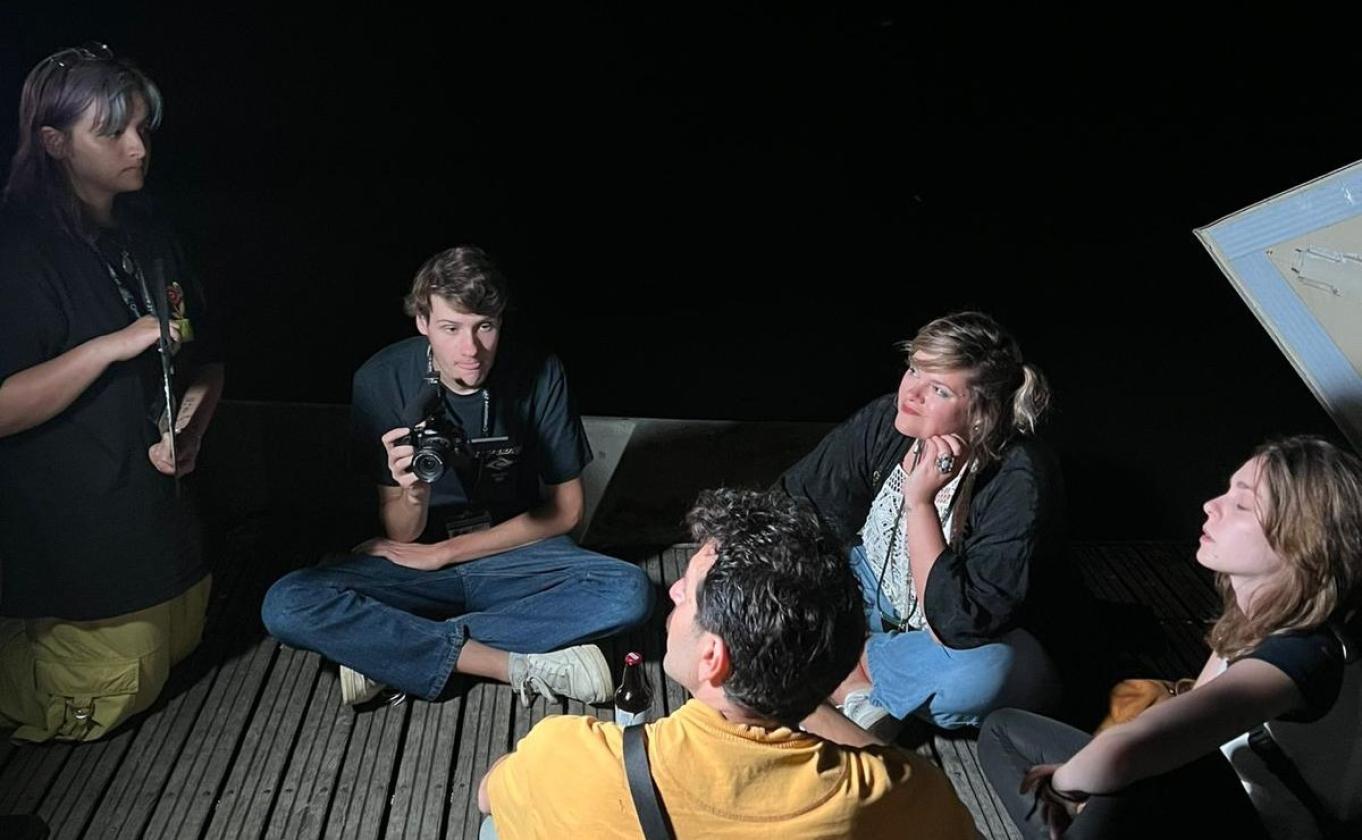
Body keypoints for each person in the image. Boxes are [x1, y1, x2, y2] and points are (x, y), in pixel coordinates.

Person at [262, 245, 652, 707]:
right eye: (450, 328)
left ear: (501, 321)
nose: (471, 350)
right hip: (415, 562)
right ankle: (507, 663)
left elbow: (567, 511)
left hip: (511, 557)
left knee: (628, 592)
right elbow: (399, 533)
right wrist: (413, 493)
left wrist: (445, 553)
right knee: (286, 602)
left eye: (485, 326)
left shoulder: (541, 373)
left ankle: (387, 650)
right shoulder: (382, 379)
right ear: (422, 322)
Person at [478, 487, 976, 839]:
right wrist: (796, 688)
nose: (673, 589)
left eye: (689, 591)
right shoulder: (902, 793)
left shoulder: (571, 758)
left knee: (495, 828)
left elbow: (489, 794)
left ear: (713, 659)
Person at [0, 44, 225, 742]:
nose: (138, 147)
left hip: (165, 538)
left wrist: (188, 429)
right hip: (75, 555)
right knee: (103, 696)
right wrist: (108, 345)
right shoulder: (18, 250)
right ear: (54, 142)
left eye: (142, 128)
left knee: (174, 649)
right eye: (112, 132)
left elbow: (208, 362)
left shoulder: (148, 229)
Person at [979, 435, 1362, 839]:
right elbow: (1187, 707)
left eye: (1243, 504)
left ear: (1303, 541)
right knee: (1003, 730)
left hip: (1256, 826)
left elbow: (1130, 751)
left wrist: (1063, 785)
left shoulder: (1305, 652)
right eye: (1227, 491)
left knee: (1143, 765)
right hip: (1196, 803)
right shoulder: (1253, 620)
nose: (1211, 505)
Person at [783, 311, 1070, 738]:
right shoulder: (888, 419)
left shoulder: (1018, 477)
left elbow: (955, 625)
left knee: (991, 675)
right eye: (914, 369)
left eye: (939, 389)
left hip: (951, 642)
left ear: (982, 413)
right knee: (759, 586)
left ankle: (842, 671)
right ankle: (859, 685)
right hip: (867, 595)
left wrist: (920, 504)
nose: (911, 392)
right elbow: (796, 501)